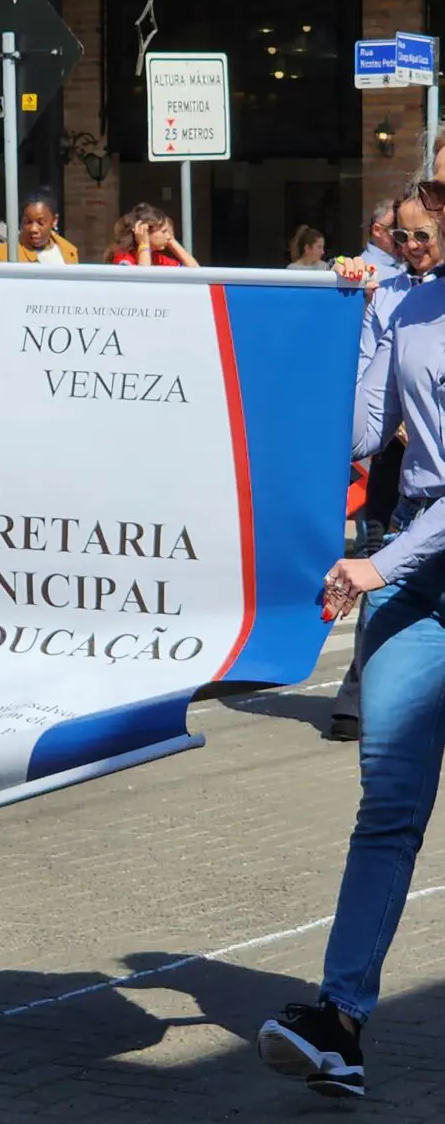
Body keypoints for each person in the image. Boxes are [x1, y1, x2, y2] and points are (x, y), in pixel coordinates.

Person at [257, 220, 445, 1099]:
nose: (414, 238)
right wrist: (357, 318)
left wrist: (380, 563)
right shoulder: (414, 306)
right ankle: (340, 1022)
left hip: (404, 561)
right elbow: (366, 435)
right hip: (420, 577)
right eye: (408, 226)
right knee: (388, 808)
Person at [330, 188, 441, 739]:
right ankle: (355, 704)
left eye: (426, 230)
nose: (417, 243)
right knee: (386, 746)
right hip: (405, 493)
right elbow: (365, 419)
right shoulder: (398, 297)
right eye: (405, 235)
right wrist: (337, 311)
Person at [0, 189, 78, 264]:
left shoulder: (68, 252)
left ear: (54, 221)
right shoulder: (2, 256)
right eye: (28, 222)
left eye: (40, 223)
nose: (33, 229)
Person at [105, 203, 199, 267]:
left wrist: (172, 242)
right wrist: (143, 244)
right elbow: (143, 279)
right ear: (145, 231)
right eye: (163, 231)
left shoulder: (158, 259)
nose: (168, 236)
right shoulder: (123, 258)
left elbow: (195, 272)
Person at [359, 200, 402, 280]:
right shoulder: (364, 270)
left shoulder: (406, 262)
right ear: (377, 230)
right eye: (395, 228)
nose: (401, 235)